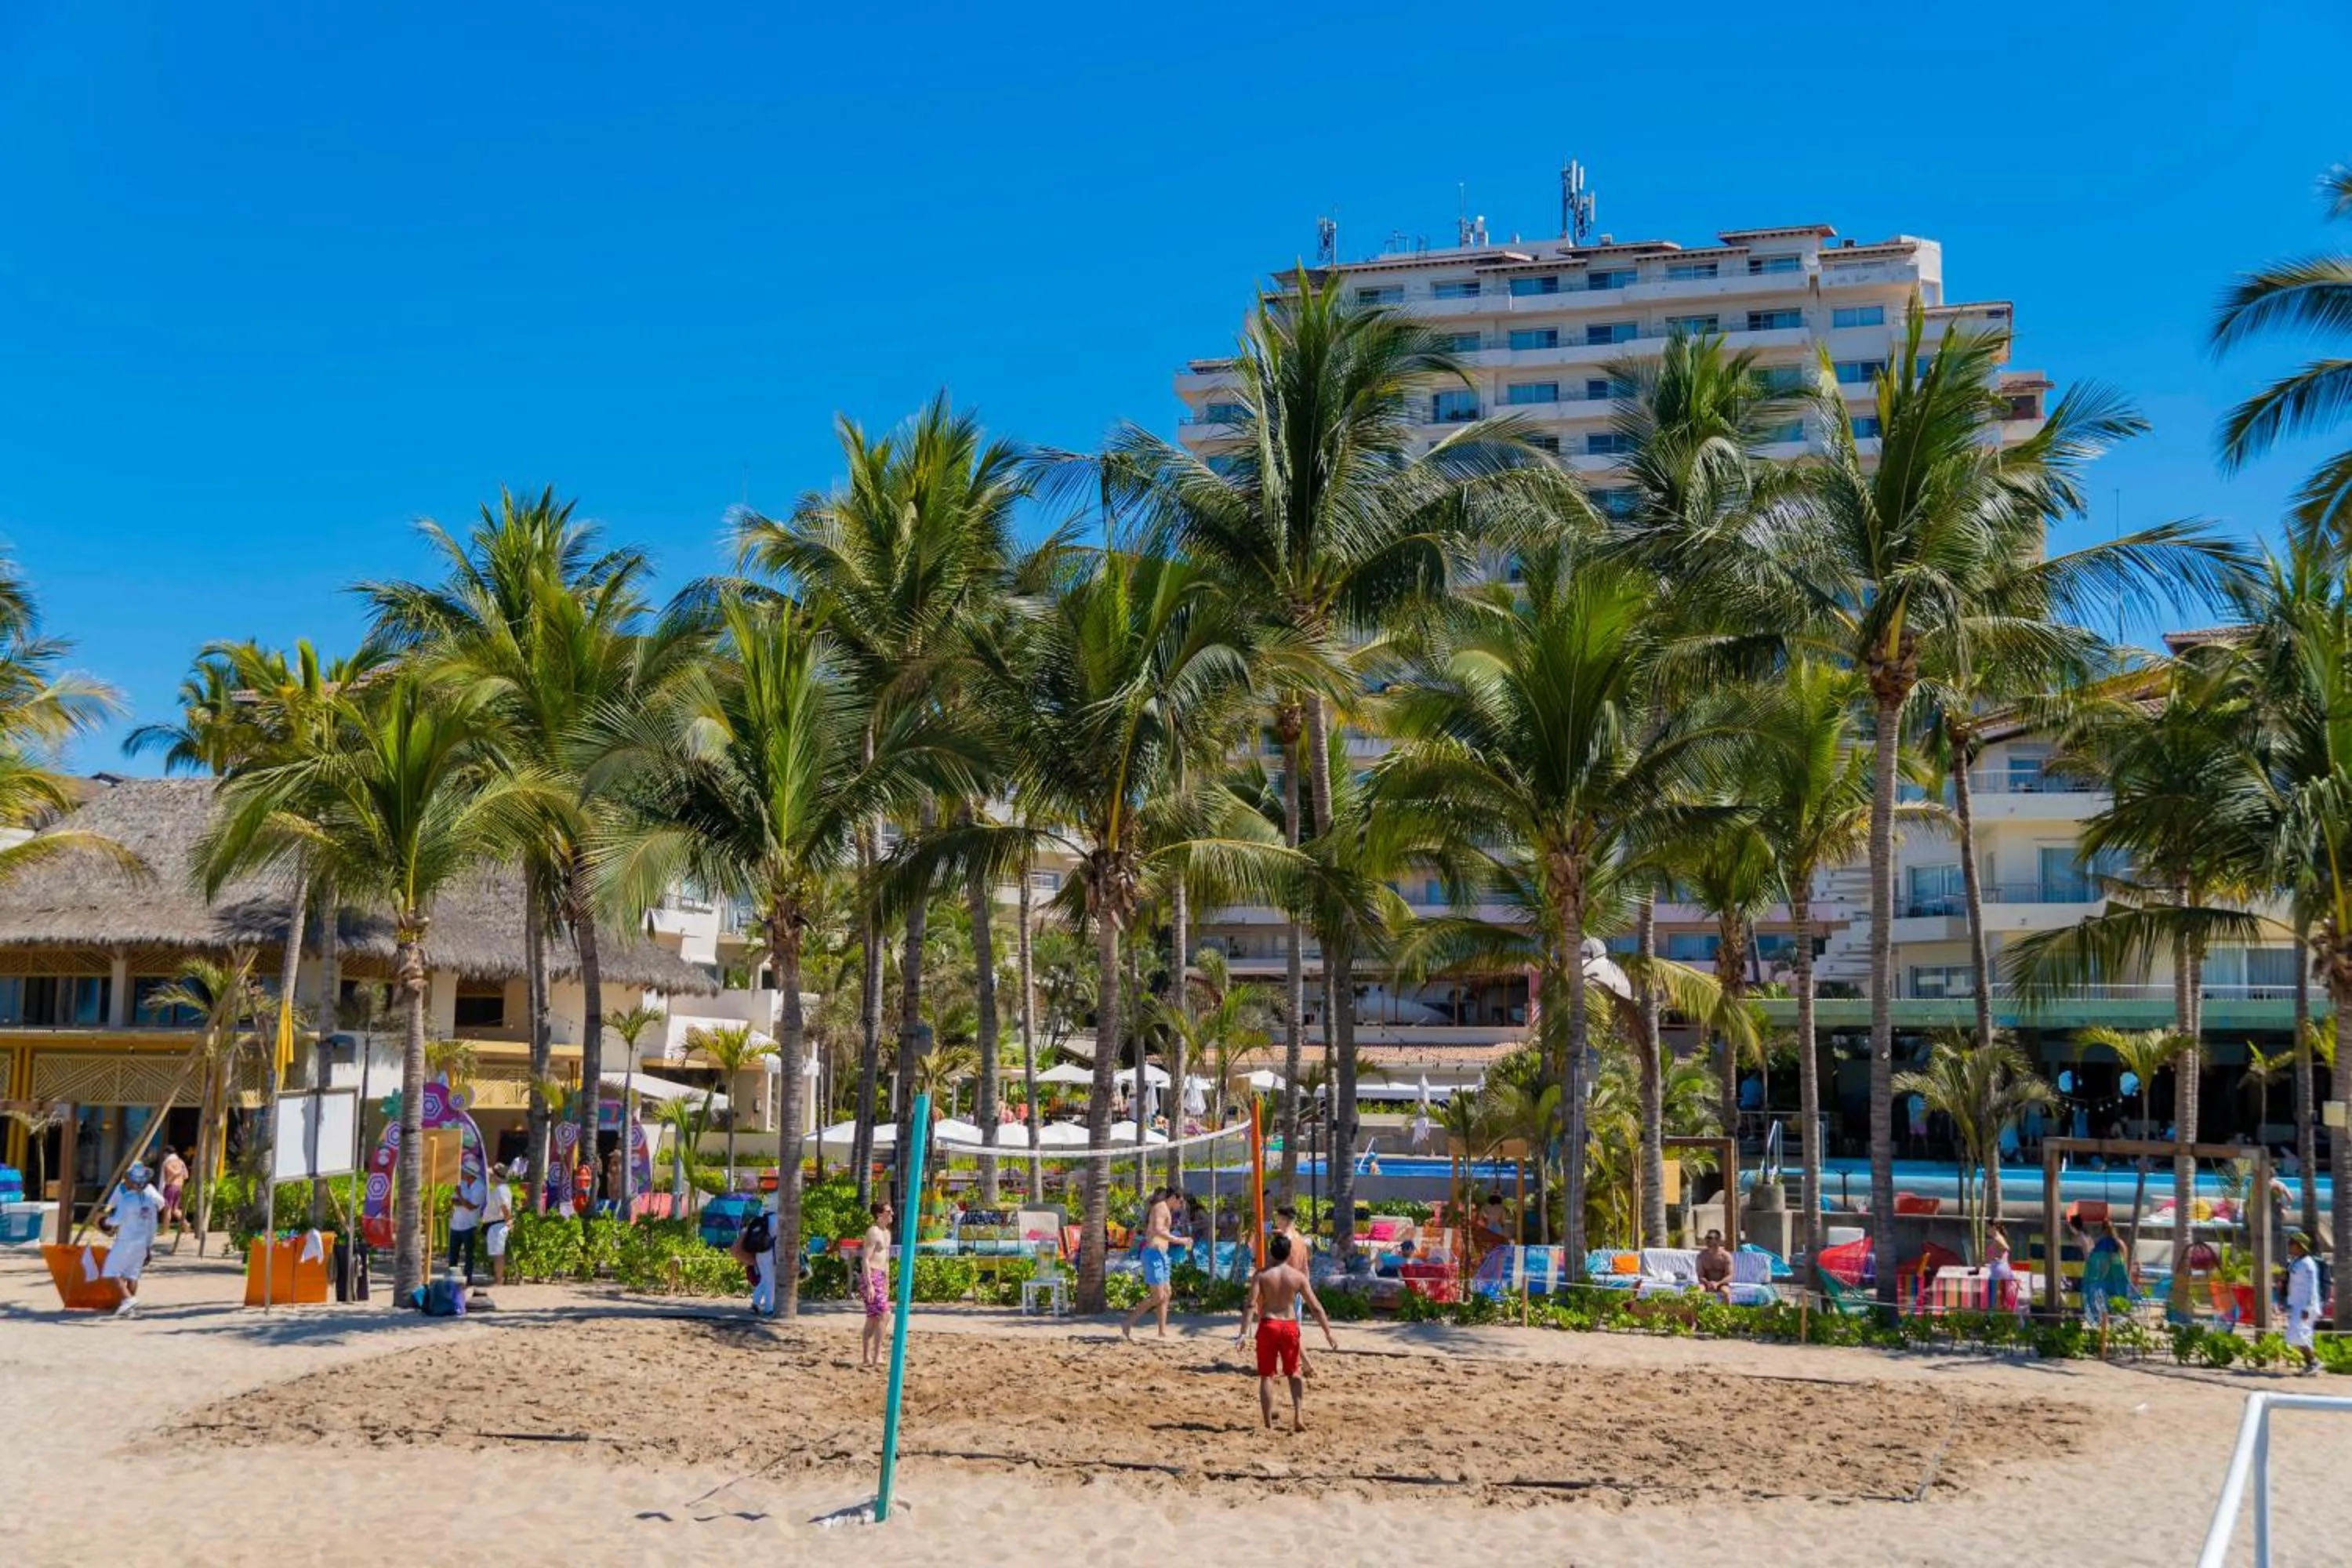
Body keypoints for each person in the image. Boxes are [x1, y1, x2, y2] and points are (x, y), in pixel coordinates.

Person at [1240, 1234, 1337, 1433]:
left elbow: (1250, 1305)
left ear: (1271, 1252)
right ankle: (1298, 1416)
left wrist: (1242, 1333)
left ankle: (1268, 1423)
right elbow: (1316, 1307)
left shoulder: (1261, 1275)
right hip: (1289, 1326)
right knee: (1294, 1373)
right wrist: (1328, 1333)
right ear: (1288, 1254)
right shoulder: (1297, 1277)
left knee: (1267, 1376)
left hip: (1269, 1325)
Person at [98, 1162, 165, 1316]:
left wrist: (104, 1221)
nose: (125, 1181)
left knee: (111, 1271)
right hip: (142, 1242)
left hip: (126, 1241)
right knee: (132, 1275)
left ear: (133, 1182)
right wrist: (148, 1246)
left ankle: (128, 1299)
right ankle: (129, 1308)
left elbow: (116, 1220)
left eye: (128, 1178)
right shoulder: (149, 1200)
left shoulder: (127, 1199)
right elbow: (153, 1226)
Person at [1123, 1187, 1178, 1341]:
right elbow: (1158, 1229)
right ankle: (1128, 1323)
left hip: (1162, 1255)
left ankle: (1162, 1332)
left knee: (1167, 1293)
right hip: (1153, 1254)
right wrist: (1179, 1240)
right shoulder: (1160, 1208)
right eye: (1180, 1202)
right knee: (1158, 1296)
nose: (1181, 1206)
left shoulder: (1165, 1209)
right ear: (1174, 1197)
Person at [861, 1199, 895, 1370]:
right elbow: (866, 1259)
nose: (892, 1214)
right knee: (885, 1314)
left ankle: (867, 1356)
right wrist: (869, 1284)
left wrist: (887, 1280)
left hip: (880, 1276)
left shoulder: (887, 1233)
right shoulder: (873, 1232)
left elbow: (886, 1260)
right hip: (872, 1276)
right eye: (889, 1212)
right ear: (879, 1214)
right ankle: (877, 1355)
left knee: (873, 1318)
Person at [2285, 1231, 2323, 1376]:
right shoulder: (2296, 1261)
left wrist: (2308, 1307)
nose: (2289, 1246)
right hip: (2297, 1304)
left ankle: (2313, 1362)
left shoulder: (2308, 1263)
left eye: (2292, 1243)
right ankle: (2311, 1363)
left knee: (2301, 1335)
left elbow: (2312, 1286)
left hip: (2306, 1306)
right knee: (2295, 1335)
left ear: (2300, 1246)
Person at [448, 1163, 485, 1283]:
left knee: (469, 1255)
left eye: (464, 1172)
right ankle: (452, 1280)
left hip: (470, 1226)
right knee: (453, 1255)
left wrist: (460, 1196)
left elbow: (471, 1206)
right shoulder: (462, 1184)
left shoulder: (480, 1188)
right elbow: (453, 1201)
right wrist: (463, 1201)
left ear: (470, 1174)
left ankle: (468, 1279)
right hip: (455, 1225)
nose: (462, 1174)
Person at [481, 1163, 515, 1287]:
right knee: (498, 1254)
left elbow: (505, 1207)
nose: (490, 1178)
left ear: (496, 1176)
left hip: (498, 1224)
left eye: (491, 1175)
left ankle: (499, 1280)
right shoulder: (500, 1189)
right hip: (495, 1224)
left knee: (499, 1255)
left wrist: (508, 1221)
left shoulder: (501, 1190)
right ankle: (498, 1279)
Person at [1984, 1223, 2017, 1316]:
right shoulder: (1997, 1239)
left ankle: (1994, 1316)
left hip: (1998, 1270)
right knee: (1999, 1296)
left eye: (1988, 1228)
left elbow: (2006, 1248)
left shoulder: (1998, 1239)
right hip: (1999, 1269)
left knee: (1996, 1296)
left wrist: (1995, 1256)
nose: (1986, 1230)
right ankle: (2000, 1315)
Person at [158, 1147, 189, 1238]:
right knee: (175, 1209)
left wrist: (175, 1174)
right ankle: (186, 1224)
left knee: (167, 1209)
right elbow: (186, 1176)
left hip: (171, 1186)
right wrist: (181, 1171)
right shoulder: (181, 1162)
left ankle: (165, 1231)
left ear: (167, 1153)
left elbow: (174, 1172)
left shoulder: (168, 1162)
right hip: (179, 1187)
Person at [1696, 1229, 1733, 1299]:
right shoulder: (1701, 1256)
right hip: (1706, 1284)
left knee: (1726, 1293)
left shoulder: (1725, 1256)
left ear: (1718, 1240)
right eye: (1706, 1238)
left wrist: (1717, 1283)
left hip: (1722, 1284)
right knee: (1697, 1292)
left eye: (1710, 1238)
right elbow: (1700, 1276)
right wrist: (1708, 1283)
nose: (1707, 1240)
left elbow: (1729, 1276)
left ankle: (1726, 1307)